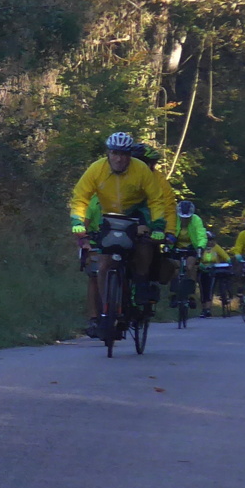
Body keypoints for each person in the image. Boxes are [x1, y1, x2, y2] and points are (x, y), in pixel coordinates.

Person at [68, 131, 176, 336]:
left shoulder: (142, 170)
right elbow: (81, 197)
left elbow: (156, 200)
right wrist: (77, 222)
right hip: (109, 217)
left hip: (137, 214)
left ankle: (141, 286)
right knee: (103, 264)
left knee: (144, 246)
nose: (119, 158)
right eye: (115, 153)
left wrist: (160, 227)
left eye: (125, 154)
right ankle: (105, 313)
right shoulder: (96, 169)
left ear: (130, 155)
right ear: (108, 153)